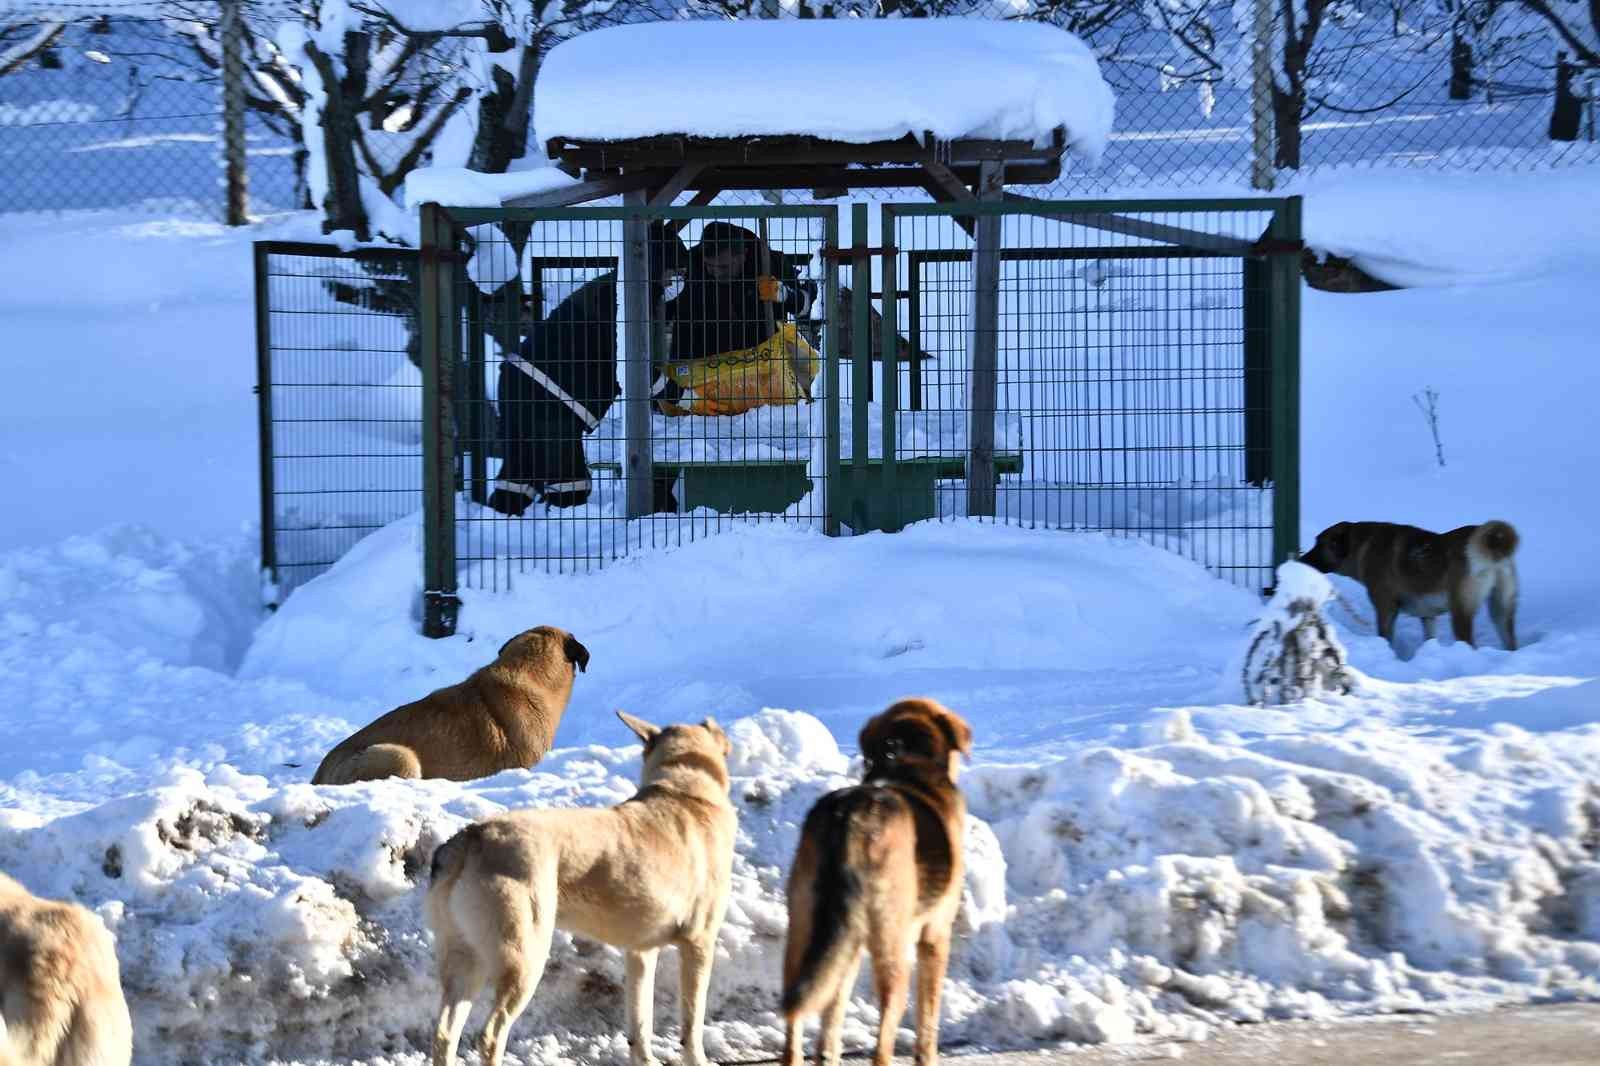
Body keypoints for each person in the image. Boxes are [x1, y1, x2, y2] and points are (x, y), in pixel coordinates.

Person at [488, 222, 688, 517]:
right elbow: (630, 362)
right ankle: (565, 546)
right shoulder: (624, 297)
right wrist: (681, 396)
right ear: (657, 264)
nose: (674, 282)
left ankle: (497, 528)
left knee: (521, 471)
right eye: (673, 273)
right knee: (569, 483)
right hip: (546, 393)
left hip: (528, 382)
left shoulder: (620, 289)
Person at [656, 222, 816, 408]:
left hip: (759, 367)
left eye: (724, 266)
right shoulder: (687, 266)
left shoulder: (770, 263)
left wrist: (785, 294)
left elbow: (807, 306)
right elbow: (658, 316)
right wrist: (666, 295)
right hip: (698, 368)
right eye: (710, 266)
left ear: (743, 254)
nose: (715, 272)